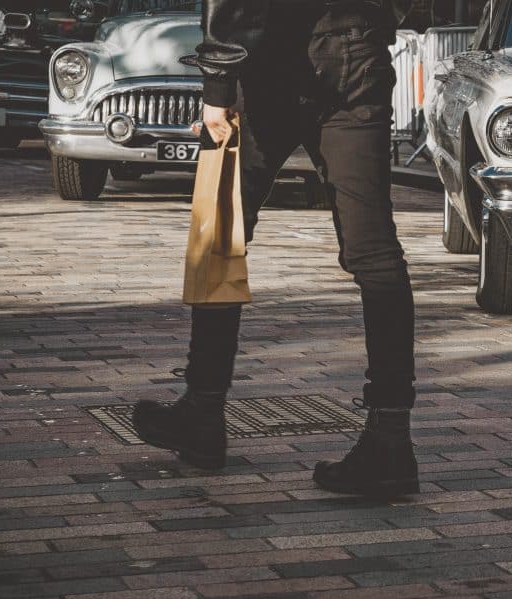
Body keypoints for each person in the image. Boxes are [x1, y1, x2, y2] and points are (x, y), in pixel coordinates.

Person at [131, 0, 419, 498]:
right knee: (375, 251)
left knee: (220, 232)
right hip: (358, 51)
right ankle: (390, 438)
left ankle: (202, 411)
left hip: (270, 62)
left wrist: (217, 84)